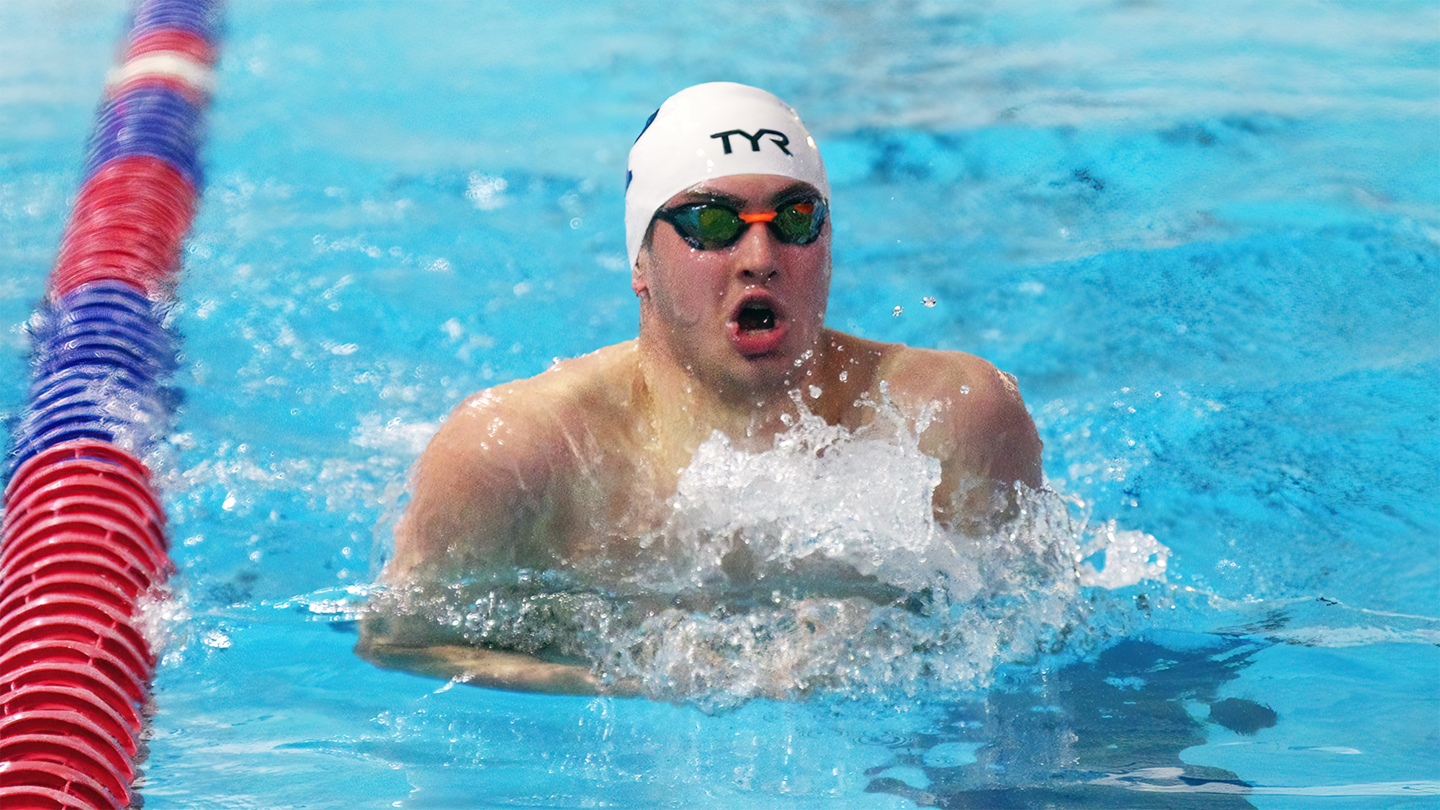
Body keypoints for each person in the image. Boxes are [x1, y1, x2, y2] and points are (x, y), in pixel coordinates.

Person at [356, 82, 1043, 695]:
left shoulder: (951, 416)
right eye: (711, 223)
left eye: (796, 219)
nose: (761, 259)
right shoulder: (516, 453)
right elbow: (402, 645)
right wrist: (644, 685)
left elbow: (1028, 634)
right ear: (642, 262)